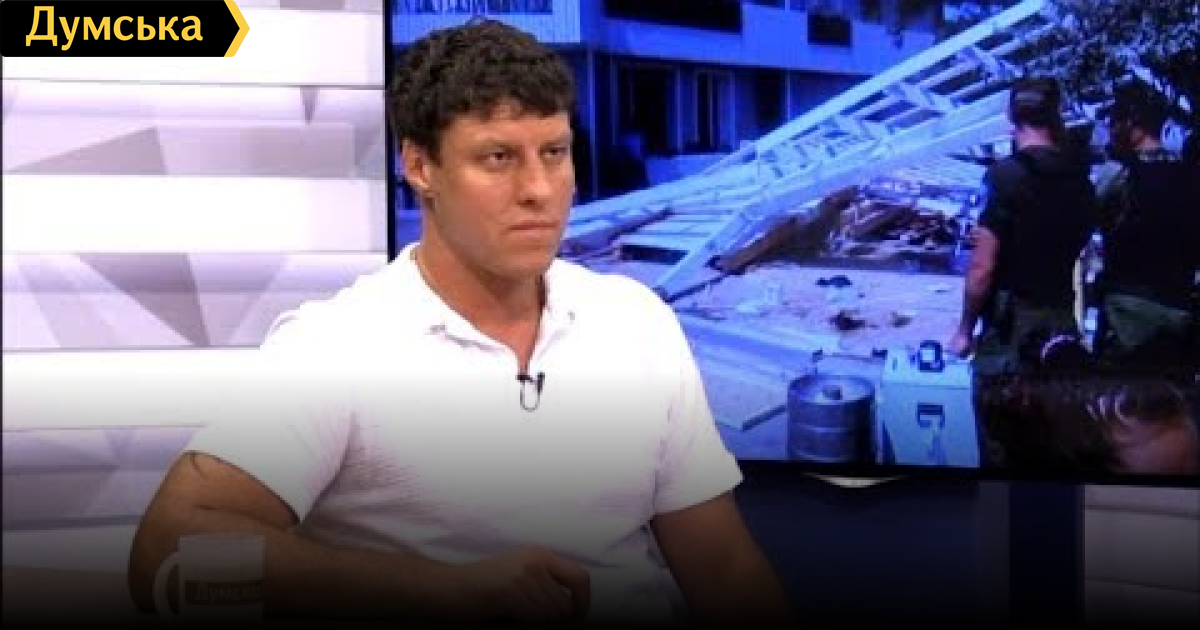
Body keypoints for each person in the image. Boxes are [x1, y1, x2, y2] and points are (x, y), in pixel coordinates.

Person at [127, 19, 794, 627]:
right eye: (498, 158)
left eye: (554, 152)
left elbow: (723, 570)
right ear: (420, 166)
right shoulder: (338, 345)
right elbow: (168, 555)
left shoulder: (636, 321)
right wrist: (438, 591)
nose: (539, 189)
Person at [948, 77, 1099, 378]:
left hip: (1012, 329)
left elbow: (982, 269)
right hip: (1060, 318)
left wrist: (964, 330)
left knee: (1003, 404)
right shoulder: (1081, 181)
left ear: (1011, 116)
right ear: (1056, 115)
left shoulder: (1003, 176)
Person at [1092, 83, 1200, 379]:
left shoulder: (1119, 175)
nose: (1109, 129)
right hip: (1179, 311)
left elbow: (1083, 217)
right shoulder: (1191, 176)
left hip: (1127, 318)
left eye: (1114, 121)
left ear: (1131, 124)